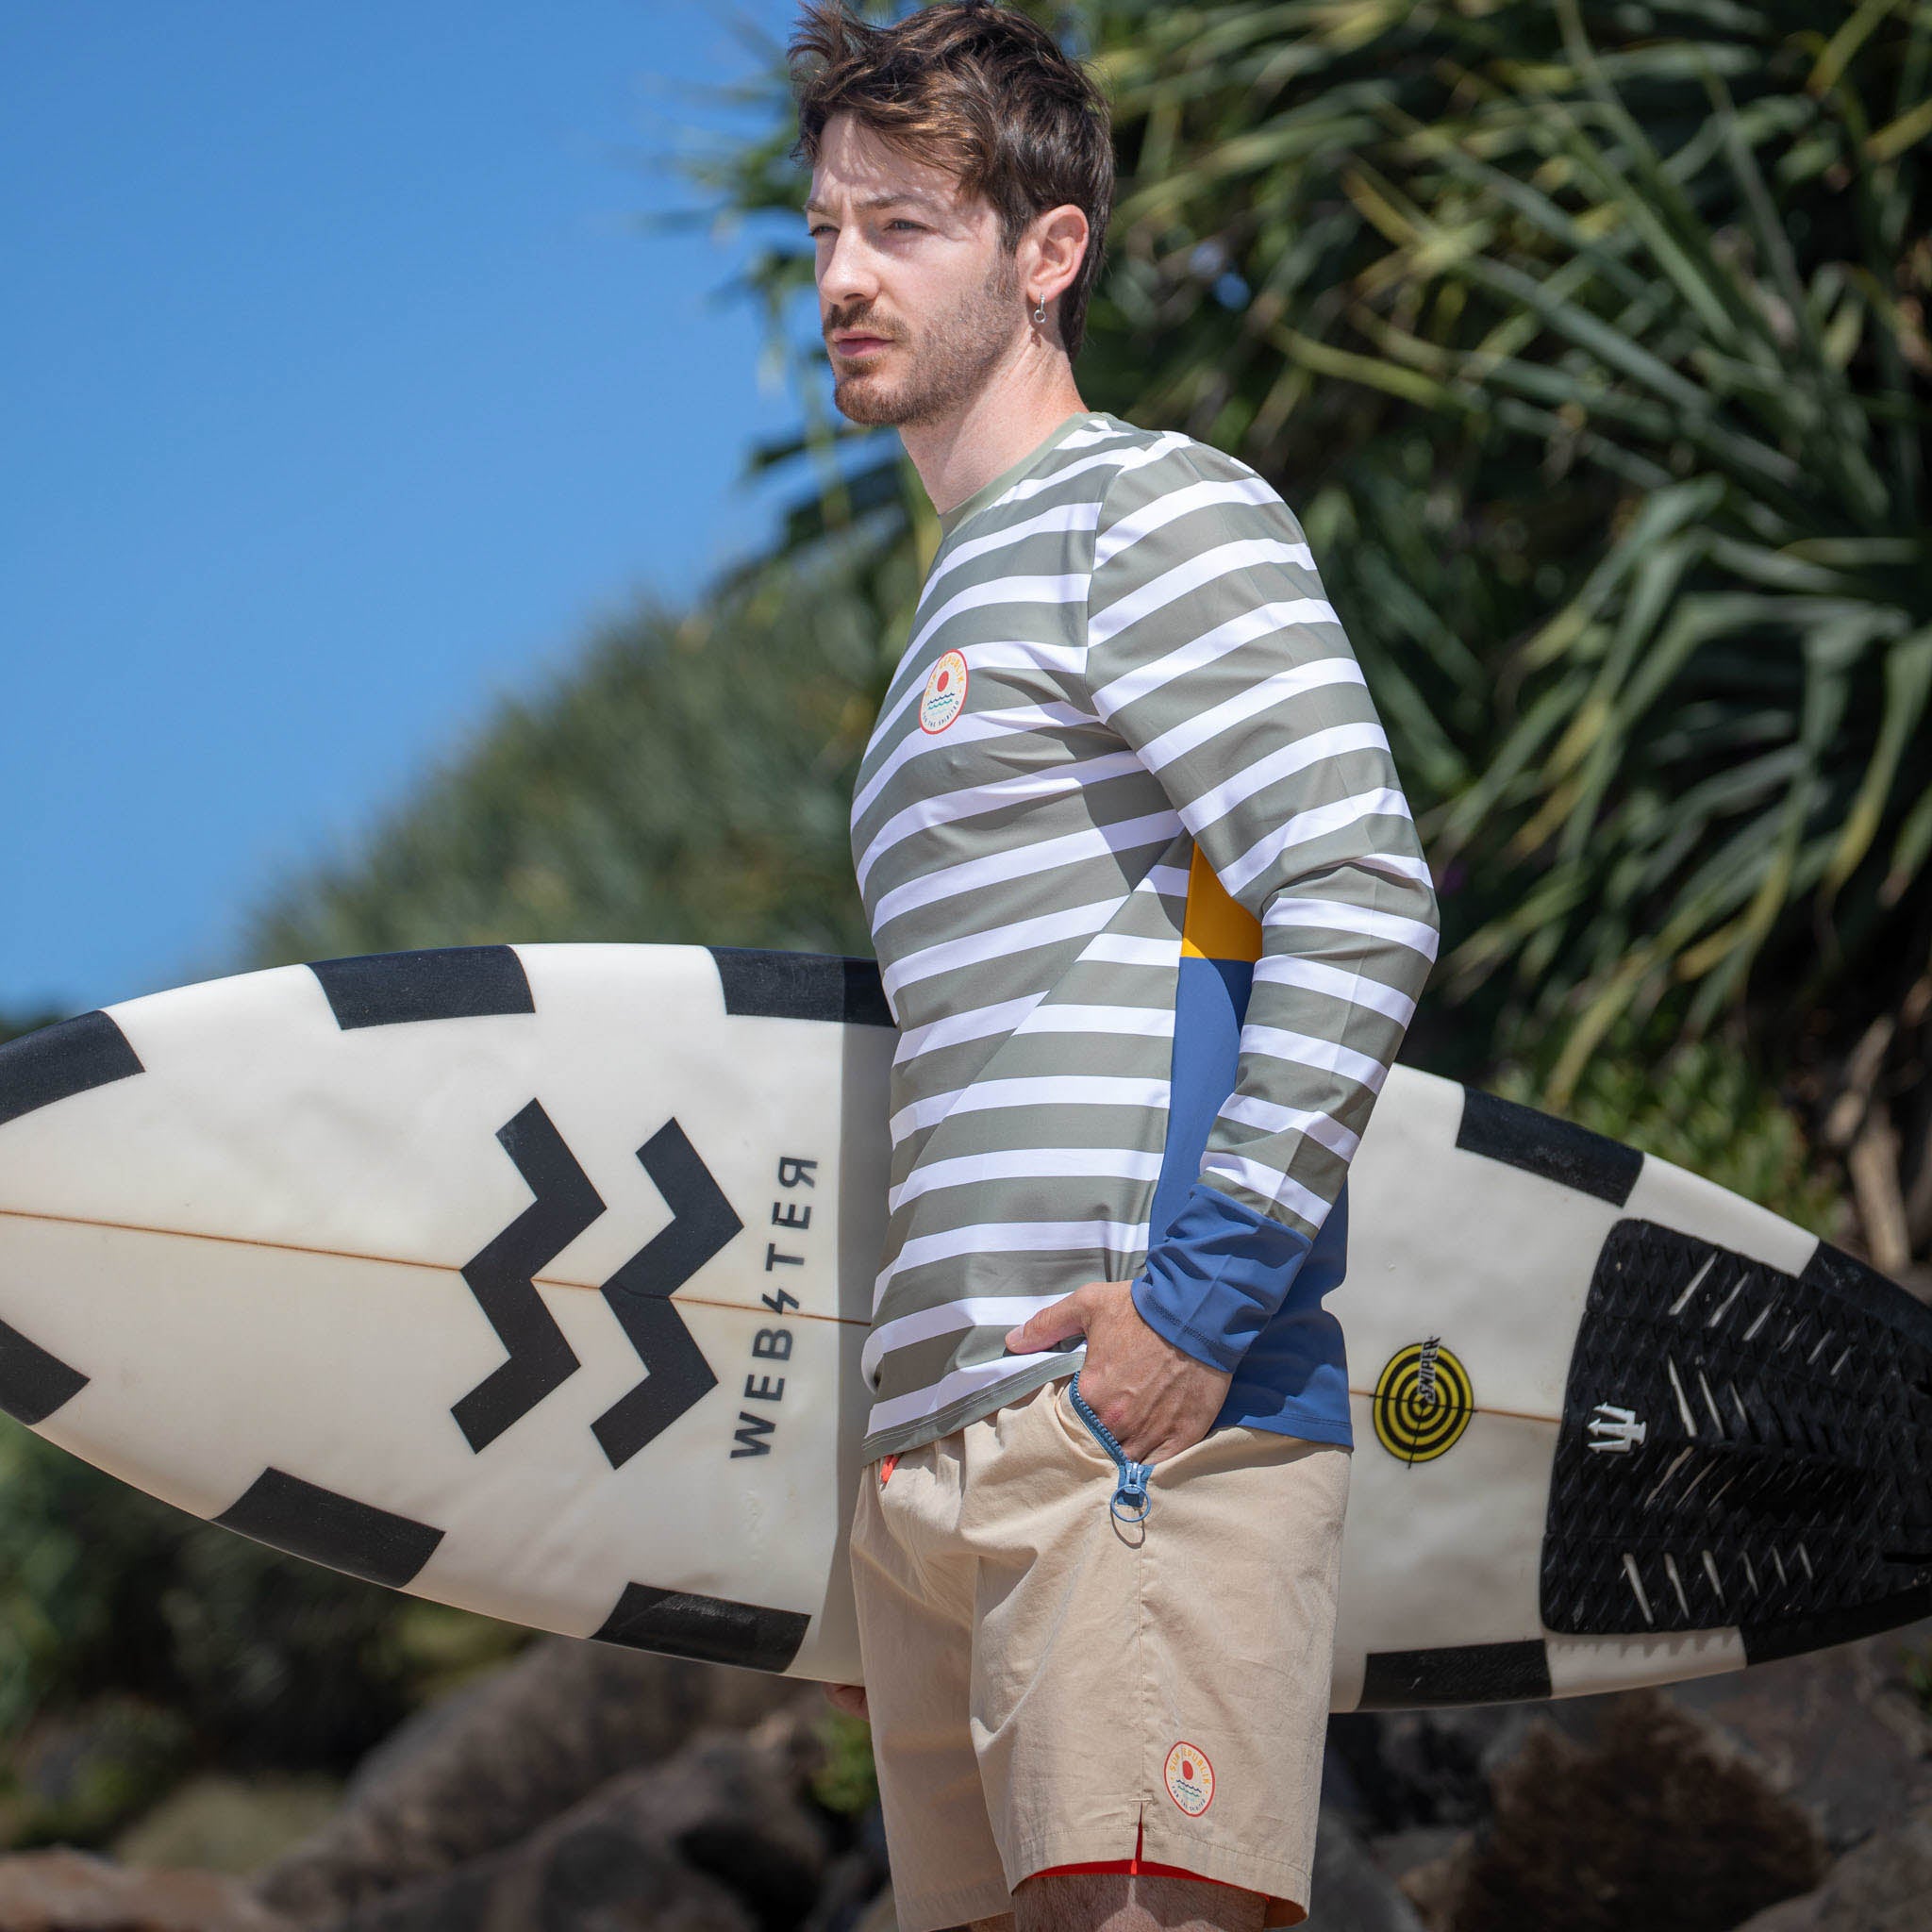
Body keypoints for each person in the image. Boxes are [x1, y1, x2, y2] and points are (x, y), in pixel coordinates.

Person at [789, 6, 1440, 1929]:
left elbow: (1357, 883)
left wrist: (1196, 1307)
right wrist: (894, 1479)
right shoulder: (939, 624)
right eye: (821, 229)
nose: (840, 275)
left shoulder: (1143, 510)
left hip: (1130, 1433)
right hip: (944, 1486)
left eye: (901, 226)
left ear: (1044, 250)